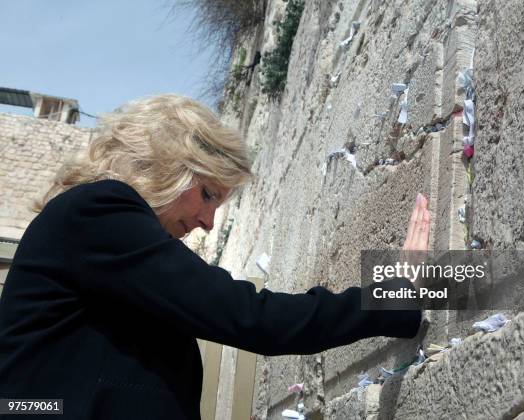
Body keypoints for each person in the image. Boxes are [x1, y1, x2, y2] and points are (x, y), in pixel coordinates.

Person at [0, 94, 429, 419]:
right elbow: (251, 317)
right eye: (207, 195)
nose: (207, 221)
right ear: (164, 163)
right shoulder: (99, 212)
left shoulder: (100, 236)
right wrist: (397, 294)